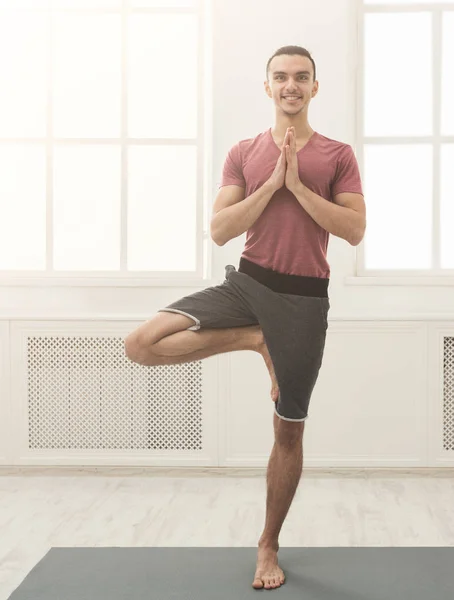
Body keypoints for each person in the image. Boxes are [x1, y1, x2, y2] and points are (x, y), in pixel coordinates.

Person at [124, 45, 366, 591]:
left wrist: (300, 187)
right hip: (249, 285)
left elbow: (353, 230)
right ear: (267, 87)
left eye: (301, 77)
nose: (291, 86)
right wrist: (271, 185)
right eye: (280, 77)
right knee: (141, 343)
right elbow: (220, 229)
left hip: (305, 299)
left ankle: (268, 543)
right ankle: (255, 339)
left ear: (314, 87)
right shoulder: (244, 152)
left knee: (288, 429)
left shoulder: (337, 154)